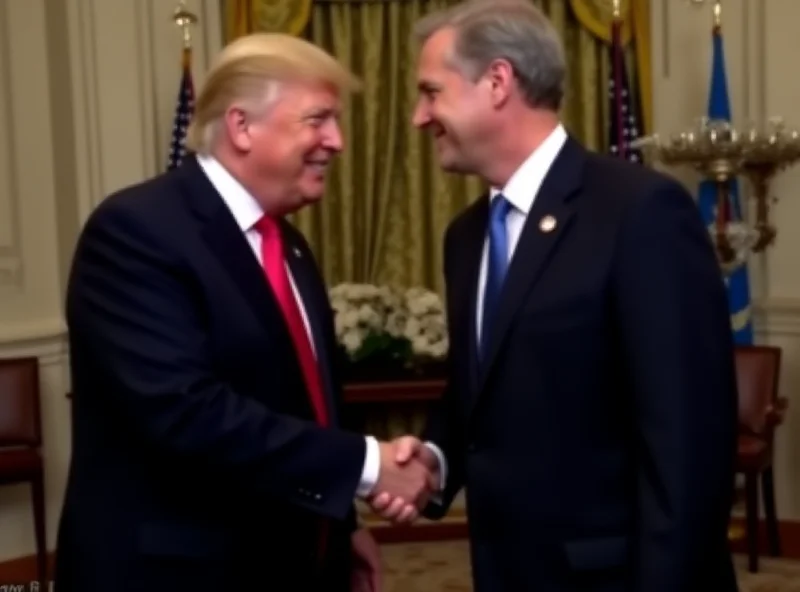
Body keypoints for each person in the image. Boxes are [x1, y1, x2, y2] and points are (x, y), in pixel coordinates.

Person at [372, 1, 740, 591]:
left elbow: (688, 442)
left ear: (497, 82)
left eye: (430, 92)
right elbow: (484, 389)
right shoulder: (466, 237)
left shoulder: (638, 211)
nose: (419, 116)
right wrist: (435, 461)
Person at [54, 33, 436, 592]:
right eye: (318, 119)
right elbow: (186, 411)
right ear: (241, 126)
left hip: (291, 560)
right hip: (179, 573)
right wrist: (370, 465)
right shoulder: (137, 231)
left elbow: (309, 402)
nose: (338, 141)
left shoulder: (289, 246)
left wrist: (341, 525)